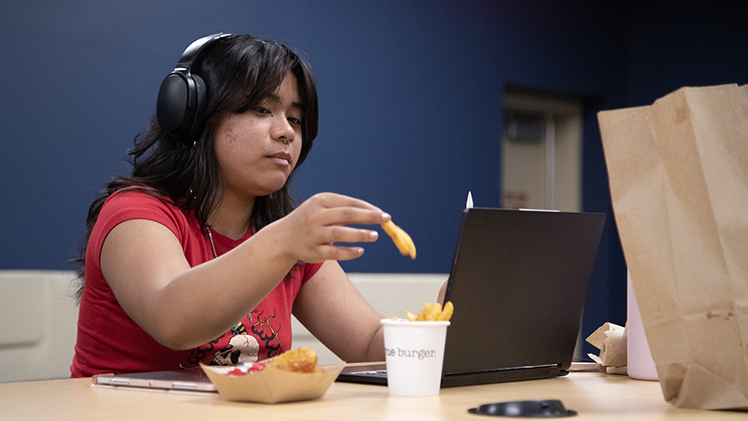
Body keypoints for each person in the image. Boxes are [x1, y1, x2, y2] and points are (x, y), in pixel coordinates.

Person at [70, 33, 390, 377]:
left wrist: (451, 316)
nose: (286, 132)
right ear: (195, 116)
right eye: (262, 110)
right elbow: (173, 320)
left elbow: (370, 345)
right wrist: (284, 241)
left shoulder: (284, 236)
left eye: (295, 119)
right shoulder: (134, 213)